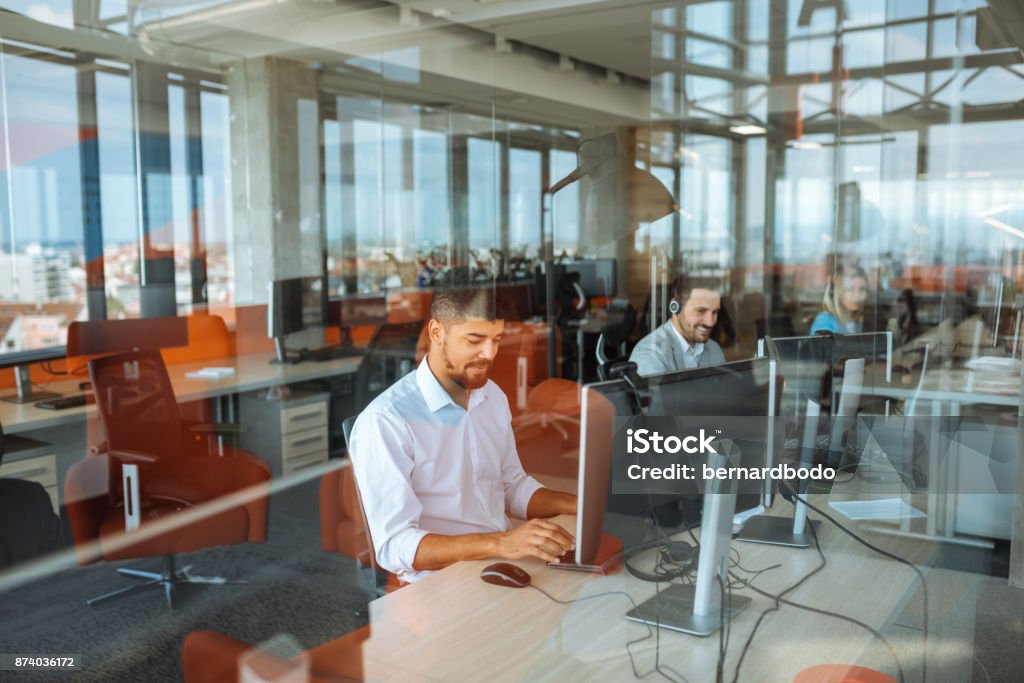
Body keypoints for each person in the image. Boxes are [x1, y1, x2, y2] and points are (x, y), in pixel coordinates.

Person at [349, 287, 578, 584]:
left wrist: (581, 504)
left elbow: (512, 487)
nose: (490, 354)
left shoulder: (491, 396)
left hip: (502, 562)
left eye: (496, 340)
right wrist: (502, 543)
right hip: (438, 582)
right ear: (436, 332)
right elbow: (395, 545)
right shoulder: (386, 421)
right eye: (475, 340)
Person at [629, 276, 725, 376]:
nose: (710, 322)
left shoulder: (714, 349)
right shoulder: (650, 354)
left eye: (715, 312)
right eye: (701, 311)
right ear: (675, 306)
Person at [810, 264, 868, 335]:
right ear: (837, 292)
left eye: (862, 289)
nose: (857, 294)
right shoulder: (825, 322)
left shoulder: (859, 321)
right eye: (850, 288)